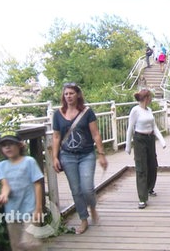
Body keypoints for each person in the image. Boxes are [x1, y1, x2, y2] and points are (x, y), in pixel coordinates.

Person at [52, 83, 108, 234]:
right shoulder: (58, 114)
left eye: (71, 93)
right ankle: (83, 219)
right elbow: (56, 137)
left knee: (87, 188)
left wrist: (101, 154)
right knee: (76, 190)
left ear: (77, 95)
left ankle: (93, 207)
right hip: (67, 156)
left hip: (86, 154)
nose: (68, 96)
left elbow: (95, 133)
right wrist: (54, 157)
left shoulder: (87, 112)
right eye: (66, 94)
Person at [0, 131, 44, 251]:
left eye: (11, 143)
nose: (7, 147)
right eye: (4, 145)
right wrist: (4, 194)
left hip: (29, 209)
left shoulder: (29, 162)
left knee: (31, 243)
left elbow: (38, 185)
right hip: (12, 211)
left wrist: (38, 209)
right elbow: (5, 185)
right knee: (16, 245)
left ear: (20, 145)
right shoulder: (2, 165)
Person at [125, 89, 167, 209]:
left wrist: (162, 140)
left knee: (152, 165)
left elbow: (154, 127)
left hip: (150, 139)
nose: (151, 99)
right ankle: (142, 198)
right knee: (141, 168)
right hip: (139, 139)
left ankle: (150, 188)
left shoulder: (149, 110)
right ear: (146, 98)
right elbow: (130, 128)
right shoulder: (135, 110)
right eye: (150, 97)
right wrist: (128, 145)